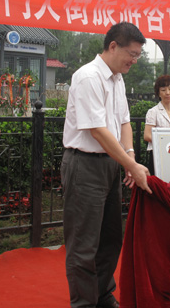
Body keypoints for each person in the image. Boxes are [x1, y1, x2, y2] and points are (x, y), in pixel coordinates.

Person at [61, 22, 151, 308]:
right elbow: (97, 130)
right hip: (85, 165)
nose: (134, 61)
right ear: (113, 46)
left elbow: (123, 121)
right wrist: (131, 165)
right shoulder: (88, 77)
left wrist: (129, 158)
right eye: (132, 54)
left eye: (138, 56)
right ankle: (84, 303)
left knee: (111, 238)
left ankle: (102, 294)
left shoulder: (117, 78)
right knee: (83, 244)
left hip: (110, 164)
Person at [143, 75, 170, 175]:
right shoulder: (153, 112)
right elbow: (147, 135)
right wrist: (165, 141)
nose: (167, 93)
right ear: (158, 93)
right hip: (158, 154)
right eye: (163, 90)